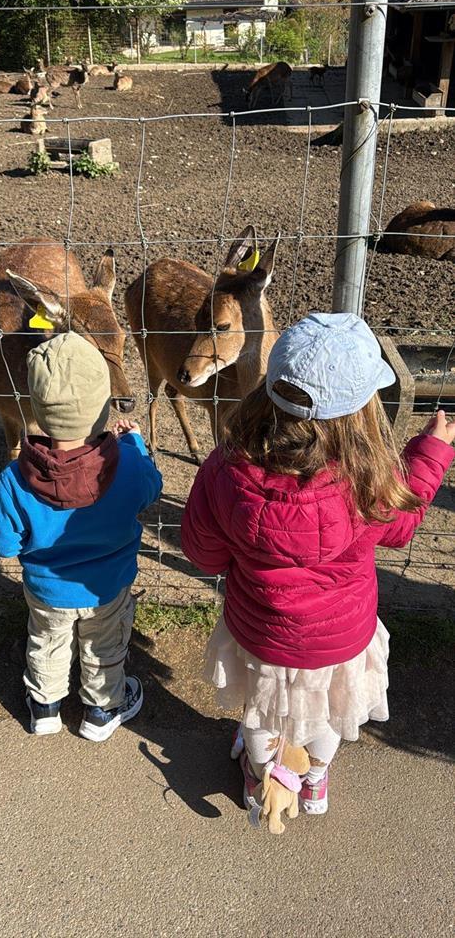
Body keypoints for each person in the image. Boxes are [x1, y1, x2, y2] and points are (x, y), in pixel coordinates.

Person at [181, 312, 454, 816]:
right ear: (361, 410)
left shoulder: (225, 467)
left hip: (260, 629)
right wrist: (431, 450)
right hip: (340, 637)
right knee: (327, 717)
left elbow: (203, 553)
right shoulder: (369, 477)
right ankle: (314, 781)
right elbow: (402, 526)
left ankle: (259, 776)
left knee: (261, 714)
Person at [0, 332, 162, 740]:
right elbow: (152, 488)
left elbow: (0, 544)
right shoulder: (129, 465)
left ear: (38, 407)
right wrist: (133, 443)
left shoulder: (13, 480)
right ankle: (101, 711)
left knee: (46, 643)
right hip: (108, 588)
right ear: (102, 405)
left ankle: (44, 707)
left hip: (46, 591)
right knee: (104, 648)